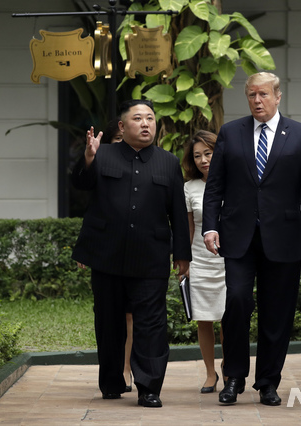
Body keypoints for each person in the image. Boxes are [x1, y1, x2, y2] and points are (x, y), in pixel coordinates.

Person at [202, 72, 301, 406]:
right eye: (252, 95)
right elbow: (215, 186)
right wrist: (209, 226)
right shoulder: (231, 132)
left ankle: (268, 381)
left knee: (277, 311)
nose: (257, 101)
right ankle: (234, 378)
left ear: (278, 96)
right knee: (237, 302)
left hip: (282, 236)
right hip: (238, 236)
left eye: (264, 95)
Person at [71, 99, 191, 408]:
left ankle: (149, 387)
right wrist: (87, 158)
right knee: (109, 322)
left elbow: (178, 211)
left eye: (150, 118)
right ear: (122, 127)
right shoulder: (102, 153)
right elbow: (80, 185)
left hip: (150, 257)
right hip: (106, 255)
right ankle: (112, 382)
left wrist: (182, 255)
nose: (146, 123)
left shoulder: (168, 162)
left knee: (151, 324)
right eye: (138, 118)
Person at [77, 117, 133, 392]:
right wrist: (90, 155)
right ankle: (113, 375)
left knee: (132, 315)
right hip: (106, 251)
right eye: (117, 142)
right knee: (109, 316)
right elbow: (86, 191)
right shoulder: (100, 162)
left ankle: (127, 367)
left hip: (138, 251)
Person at [181, 130, 227, 394]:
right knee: (204, 320)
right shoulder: (189, 187)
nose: (203, 160)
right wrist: (183, 262)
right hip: (200, 260)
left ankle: (229, 367)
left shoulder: (235, 181)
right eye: (197, 155)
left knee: (229, 319)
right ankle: (210, 374)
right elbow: (188, 229)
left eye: (208, 153)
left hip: (229, 261)